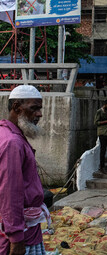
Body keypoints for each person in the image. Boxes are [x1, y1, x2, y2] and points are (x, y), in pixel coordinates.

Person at [0, 85, 52, 255]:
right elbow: (9, 193)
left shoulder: (7, 134)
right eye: (34, 108)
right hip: (20, 234)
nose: (39, 114)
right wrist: (16, 238)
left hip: (26, 230)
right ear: (16, 107)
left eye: (40, 109)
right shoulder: (12, 142)